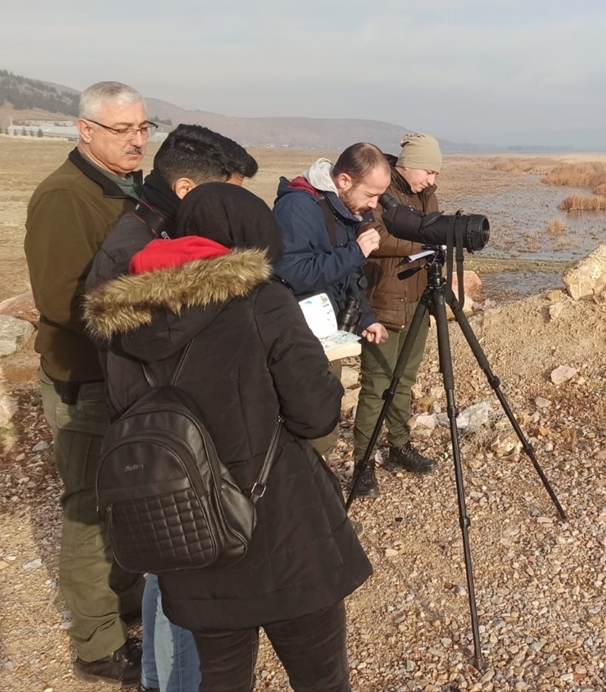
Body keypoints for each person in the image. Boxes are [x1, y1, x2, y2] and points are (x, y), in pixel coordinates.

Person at [84, 184, 372, 692]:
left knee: (220, 679)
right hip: (284, 533)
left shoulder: (120, 323)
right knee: (320, 678)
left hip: (188, 535)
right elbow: (316, 415)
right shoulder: (264, 301)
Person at [86, 122, 256, 692]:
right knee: (186, 583)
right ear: (188, 189)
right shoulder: (144, 253)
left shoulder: (142, 235)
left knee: (170, 571)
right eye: (227, 192)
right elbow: (162, 351)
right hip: (168, 438)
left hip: (160, 431)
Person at [24, 81, 150, 684]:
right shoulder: (63, 197)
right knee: (87, 507)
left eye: (143, 127)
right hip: (87, 377)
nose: (136, 139)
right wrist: (150, 321)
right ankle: (97, 644)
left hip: (123, 373)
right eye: (122, 129)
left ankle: (121, 606)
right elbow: (60, 299)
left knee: (123, 499)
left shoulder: (128, 191)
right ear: (85, 130)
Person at [272, 143, 391, 456]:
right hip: (297, 339)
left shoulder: (341, 208)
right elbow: (293, 272)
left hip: (326, 335)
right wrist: (355, 252)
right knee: (306, 424)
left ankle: (318, 485)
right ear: (344, 181)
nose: (375, 204)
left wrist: (365, 318)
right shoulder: (298, 207)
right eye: (371, 194)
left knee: (324, 419)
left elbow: (343, 276)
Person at [352, 133, 444, 499]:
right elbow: (373, 239)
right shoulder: (381, 184)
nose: (432, 180)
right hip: (383, 301)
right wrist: (425, 241)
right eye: (428, 171)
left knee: (404, 380)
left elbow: (433, 228)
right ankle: (362, 462)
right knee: (377, 384)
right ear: (408, 164)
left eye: (436, 173)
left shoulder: (425, 193)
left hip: (417, 298)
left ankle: (398, 445)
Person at [87, 123, 258, 291]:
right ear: (185, 189)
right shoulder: (132, 261)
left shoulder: (167, 226)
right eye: (227, 196)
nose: (233, 206)